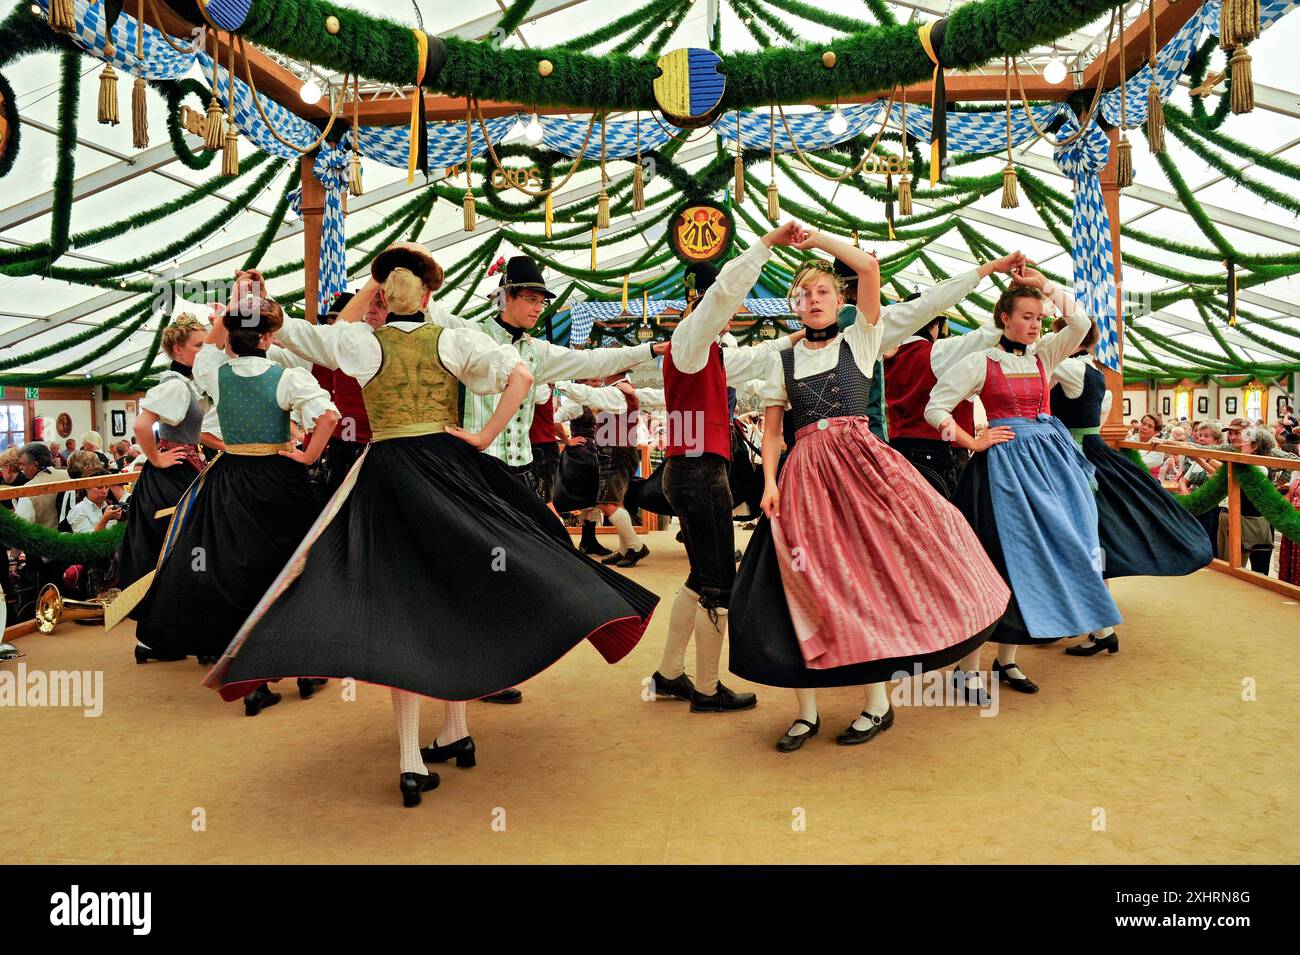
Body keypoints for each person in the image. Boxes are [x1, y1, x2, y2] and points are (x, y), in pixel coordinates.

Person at [209, 244, 659, 808]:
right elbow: (520, 376)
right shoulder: (454, 338)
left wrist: (249, 295)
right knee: (456, 591)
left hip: (388, 478)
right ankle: (456, 731)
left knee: (403, 609)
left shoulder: (359, 341)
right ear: (427, 295)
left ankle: (414, 757)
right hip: (451, 473)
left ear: (381, 294)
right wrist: (484, 438)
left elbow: (291, 331)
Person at [730, 225, 1009, 750]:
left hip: (862, 469)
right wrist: (768, 483)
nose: (812, 301)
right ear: (793, 305)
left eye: (822, 292)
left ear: (839, 300)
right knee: (797, 587)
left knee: (866, 580)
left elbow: (869, 269)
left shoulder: (862, 337)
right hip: (804, 477)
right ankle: (806, 712)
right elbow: (771, 433)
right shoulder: (781, 360)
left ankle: (877, 704)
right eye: (803, 294)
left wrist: (816, 242)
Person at [927, 265, 1122, 697]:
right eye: (1027, 316)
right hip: (1001, 470)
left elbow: (1082, 323)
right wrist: (971, 442)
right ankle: (966, 668)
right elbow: (935, 408)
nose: (1035, 325)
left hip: (1052, 465)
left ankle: (1007, 660)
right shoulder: (980, 361)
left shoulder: (1045, 356)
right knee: (995, 559)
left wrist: (1043, 284)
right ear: (1004, 318)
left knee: (1038, 555)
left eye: (1038, 317)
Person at [131, 296, 340, 688]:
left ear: (232, 336)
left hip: (231, 480)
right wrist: (308, 455)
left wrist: (230, 309)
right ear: (267, 338)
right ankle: (301, 665)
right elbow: (329, 416)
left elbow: (209, 348)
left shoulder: (213, 372)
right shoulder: (286, 377)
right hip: (280, 480)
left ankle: (250, 677)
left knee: (236, 569)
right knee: (291, 568)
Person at [648, 239, 806, 713]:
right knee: (719, 583)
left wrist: (798, 337)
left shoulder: (705, 352)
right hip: (697, 472)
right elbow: (721, 298)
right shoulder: (692, 338)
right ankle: (706, 688)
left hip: (692, 469)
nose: (731, 313)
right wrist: (767, 246)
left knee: (701, 577)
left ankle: (669, 674)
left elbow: (755, 358)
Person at [1048, 319, 1212, 655]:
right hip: (1094, 456)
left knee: (1074, 540)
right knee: (1092, 542)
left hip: (1070, 458)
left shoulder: (1063, 368)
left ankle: (1093, 624)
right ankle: (1089, 622)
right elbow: (1097, 422)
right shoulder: (1100, 381)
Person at [880, 254, 1026, 497]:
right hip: (938, 454)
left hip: (897, 452)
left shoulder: (886, 355)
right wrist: (1012, 300)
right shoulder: (937, 353)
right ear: (934, 325)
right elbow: (987, 335)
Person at [115, 314, 210, 622]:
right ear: (178, 351)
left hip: (181, 471)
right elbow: (142, 424)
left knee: (177, 551)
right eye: (198, 346)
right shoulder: (175, 386)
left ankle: (169, 626)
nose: (204, 351)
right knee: (173, 550)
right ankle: (163, 627)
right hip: (171, 477)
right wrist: (156, 457)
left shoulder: (185, 383)